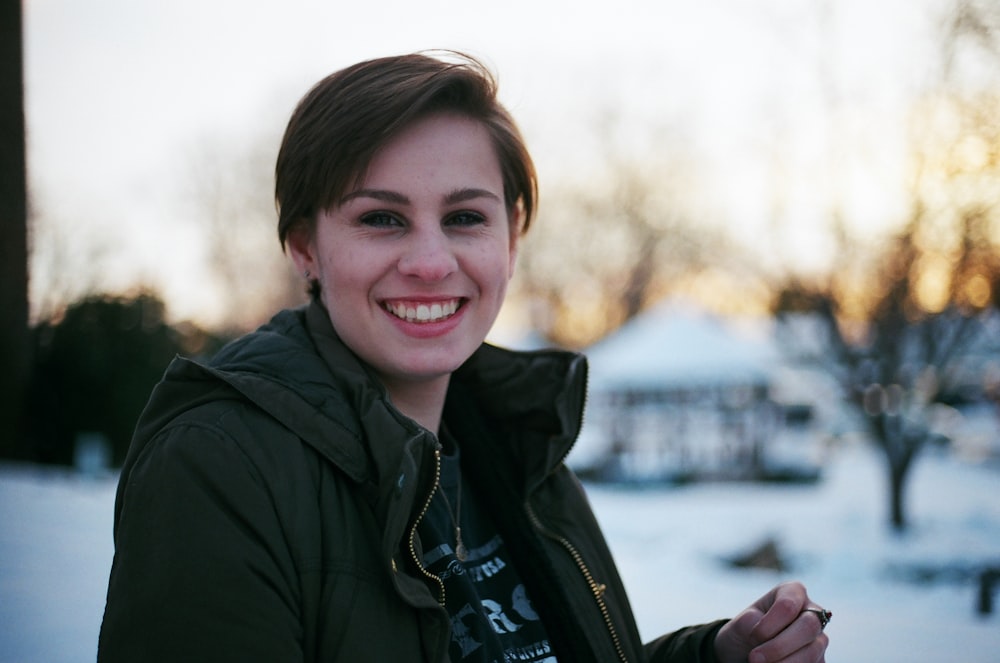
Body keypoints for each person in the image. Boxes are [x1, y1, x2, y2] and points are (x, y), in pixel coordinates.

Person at [98, 51, 830, 663]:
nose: (428, 261)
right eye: (381, 218)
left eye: (464, 218)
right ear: (304, 248)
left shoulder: (516, 444)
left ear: (511, 239)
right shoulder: (219, 463)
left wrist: (711, 660)